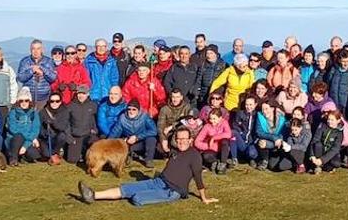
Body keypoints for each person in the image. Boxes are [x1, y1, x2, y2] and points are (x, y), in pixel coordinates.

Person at [78, 126, 218, 207]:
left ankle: (132, 195)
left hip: (172, 191)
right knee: (125, 187)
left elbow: (198, 178)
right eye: (179, 139)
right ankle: (93, 195)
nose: (181, 142)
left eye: (184, 139)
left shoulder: (194, 155)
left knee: (137, 199)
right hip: (159, 181)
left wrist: (204, 198)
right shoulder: (174, 151)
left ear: (190, 140)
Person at [60, 84, 99, 165]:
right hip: (75, 135)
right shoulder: (70, 106)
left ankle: (84, 152)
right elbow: (66, 123)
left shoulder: (93, 105)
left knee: (94, 152)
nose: (81, 96)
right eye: (79, 93)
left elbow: (94, 119)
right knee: (72, 160)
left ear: (88, 94)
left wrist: (94, 130)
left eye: (83, 93)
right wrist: (69, 138)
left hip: (88, 135)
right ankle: (73, 150)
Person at [5, 91, 43, 165]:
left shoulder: (34, 113)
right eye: (21, 100)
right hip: (14, 139)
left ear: (30, 101)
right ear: (18, 102)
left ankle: (23, 157)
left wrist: (25, 146)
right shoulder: (13, 113)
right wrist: (31, 138)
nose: (24, 103)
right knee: (19, 136)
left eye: (26, 100)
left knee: (34, 155)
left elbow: (35, 130)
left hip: (27, 140)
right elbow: (13, 129)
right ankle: (13, 159)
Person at [16, 40, 57, 107]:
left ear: (42, 50)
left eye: (38, 48)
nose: (36, 51)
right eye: (33, 49)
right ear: (30, 50)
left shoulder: (48, 61)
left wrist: (42, 69)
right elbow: (20, 78)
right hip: (28, 99)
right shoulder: (25, 61)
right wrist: (32, 70)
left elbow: (53, 78)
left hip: (44, 98)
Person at [194, 106, 232, 173]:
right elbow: (197, 142)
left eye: (214, 119)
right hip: (212, 150)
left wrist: (213, 138)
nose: (212, 121)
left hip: (223, 150)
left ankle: (223, 164)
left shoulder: (224, 123)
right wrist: (209, 146)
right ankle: (215, 162)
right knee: (206, 156)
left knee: (225, 141)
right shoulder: (207, 126)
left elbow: (228, 134)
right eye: (211, 118)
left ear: (220, 118)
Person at [308, 109, 345, 174]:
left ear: (338, 121)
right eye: (328, 119)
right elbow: (314, 141)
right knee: (317, 145)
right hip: (319, 150)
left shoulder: (340, 132)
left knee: (336, 163)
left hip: (329, 152)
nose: (329, 121)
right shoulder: (322, 126)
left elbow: (335, 148)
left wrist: (322, 160)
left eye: (332, 120)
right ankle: (317, 166)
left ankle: (322, 165)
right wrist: (312, 155)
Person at [254, 99, 287, 169]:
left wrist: (275, 141)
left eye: (266, 109)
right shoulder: (260, 116)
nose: (264, 112)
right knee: (262, 142)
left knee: (272, 166)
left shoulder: (282, 119)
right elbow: (259, 132)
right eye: (263, 109)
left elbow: (283, 134)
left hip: (277, 145)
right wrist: (274, 138)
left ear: (272, 108)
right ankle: (264, 160)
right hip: (265, 142)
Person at [230, 94, 260, 167]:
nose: (248, 107)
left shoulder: (257, 115)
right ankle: (234, 158)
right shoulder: (240, 113)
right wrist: (241, 132)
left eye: (251, 104)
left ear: (255, 105)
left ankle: (251, 159)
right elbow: (235, 125)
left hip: (251, 142)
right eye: (247, 104)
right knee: (233, 133)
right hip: (242, 140)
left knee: (252, 153)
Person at [40, 92, 67, 164]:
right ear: (49, 102)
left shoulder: (64, 111)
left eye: (57, 101)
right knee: (46, 154)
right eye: (52, 101)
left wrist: (52, 122)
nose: (54, 103)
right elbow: (38, 127)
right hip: (46, 138)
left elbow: (63, 127)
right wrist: (44, 133)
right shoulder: (43, 112)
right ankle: (51, 154)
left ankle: (55, 152)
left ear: (60, 102)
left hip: (57, 137)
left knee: (62, 136)